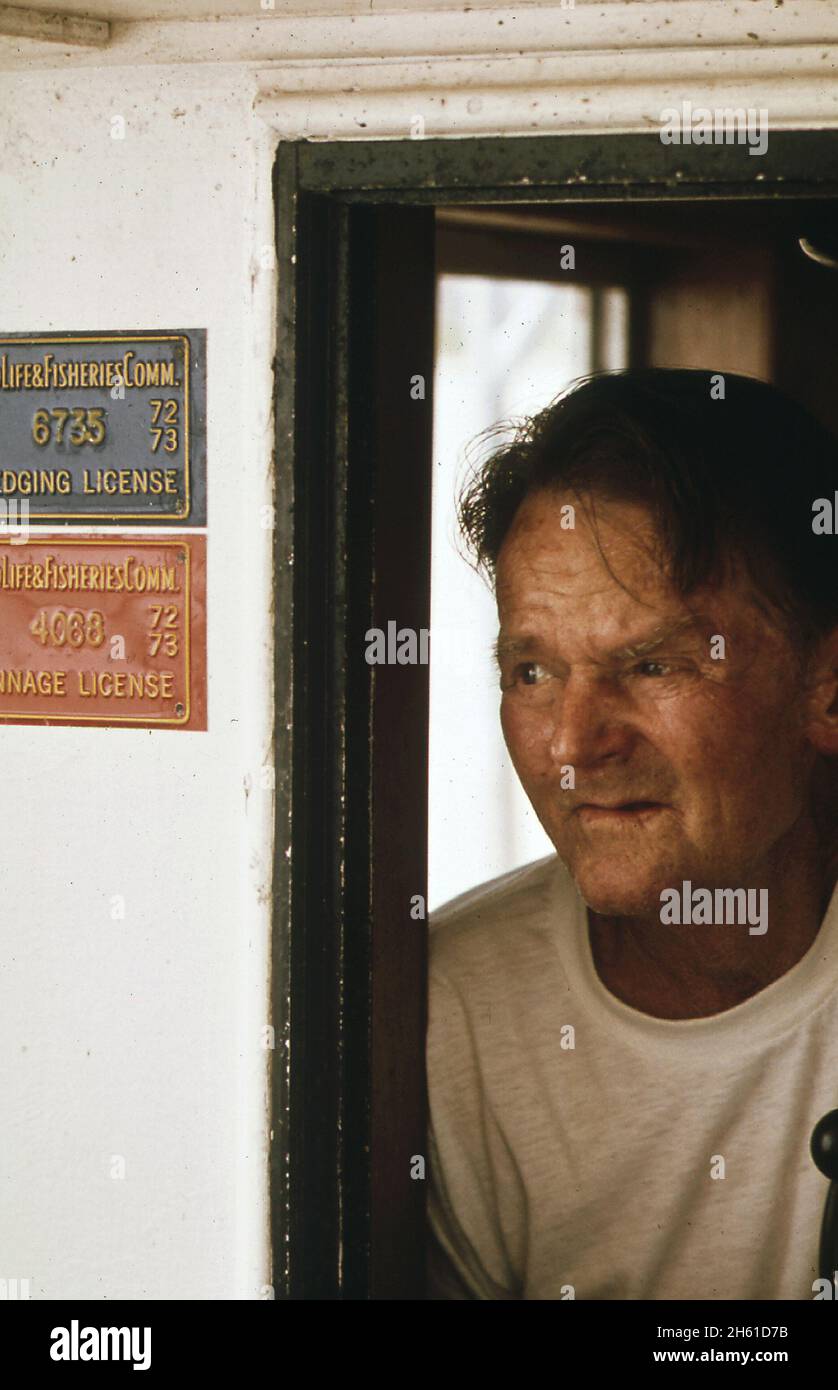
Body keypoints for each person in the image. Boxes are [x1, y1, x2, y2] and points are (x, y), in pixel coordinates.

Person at [425, 368, 838, 1300]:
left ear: (827, 687)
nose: (573, 743)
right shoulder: (452, 1012)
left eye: (652, 663)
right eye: (532, 671)